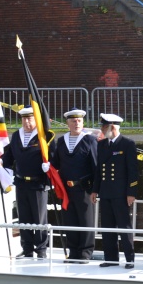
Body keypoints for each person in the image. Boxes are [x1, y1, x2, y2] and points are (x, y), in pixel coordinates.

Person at [1, 107, 50, 259]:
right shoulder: (17, 136)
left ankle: (41, 249)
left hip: (38, 183)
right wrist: (0, 162)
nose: (27, 122)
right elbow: (10, 156)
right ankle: (27, 248)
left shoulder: (43, 137)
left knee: (39, 218)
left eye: (30, 119)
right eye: (24, 119)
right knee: (24, 218)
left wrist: (49, 168)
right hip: (21, 183)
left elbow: (53, 156)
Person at [49, 109, 97, 262]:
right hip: (66, 189)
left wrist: (95, 189)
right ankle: (73, 252)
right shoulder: (62, 141)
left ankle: (85, 252)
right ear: (67, 123)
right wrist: (47, 165)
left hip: (84, 188)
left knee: (85, 220)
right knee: (70, 220)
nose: (77, 123)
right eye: (73, 121)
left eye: (79, 121)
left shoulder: (89, 140)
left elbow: (96, 166)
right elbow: (57, 162)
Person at [91, 114, 138, 269]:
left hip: (121, 193)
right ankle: (111, 258)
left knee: (124, 227)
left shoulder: (127, 144)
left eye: (103, 127)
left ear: (112, 127)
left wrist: (131, 192)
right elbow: (99, 170)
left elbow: (133, 170)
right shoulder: (102, 145)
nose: (101, 130)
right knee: (107, 227)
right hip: (105, 192)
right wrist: (95, 190)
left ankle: (129, 259)